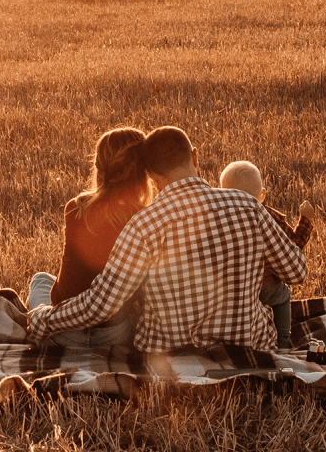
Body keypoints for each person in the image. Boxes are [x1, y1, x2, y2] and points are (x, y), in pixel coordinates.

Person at [27, 126, 307, 352]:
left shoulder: (144, 225)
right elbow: (296, 272)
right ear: (194, 157)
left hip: (170, 351)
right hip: (248, 344)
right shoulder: (248, 206)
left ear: (150, 174)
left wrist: (44, 320)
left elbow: (101, 303)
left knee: (43, 283)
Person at [27, 127, 154, 347]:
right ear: (144, 171)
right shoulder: (145, 218)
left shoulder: (77, 208)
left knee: (40, 280)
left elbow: (63, 290)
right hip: (114, 336)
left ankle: (38, 323)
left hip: (63, 333)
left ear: (98, 167)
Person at [219, 160, 316, 350]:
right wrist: (306, 219)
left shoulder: (221, 218)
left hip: (233, 288)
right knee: (283, 295)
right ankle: (282, 341)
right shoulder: (270, 218)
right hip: (266, 286)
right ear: (261, 195)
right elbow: (295, 244)